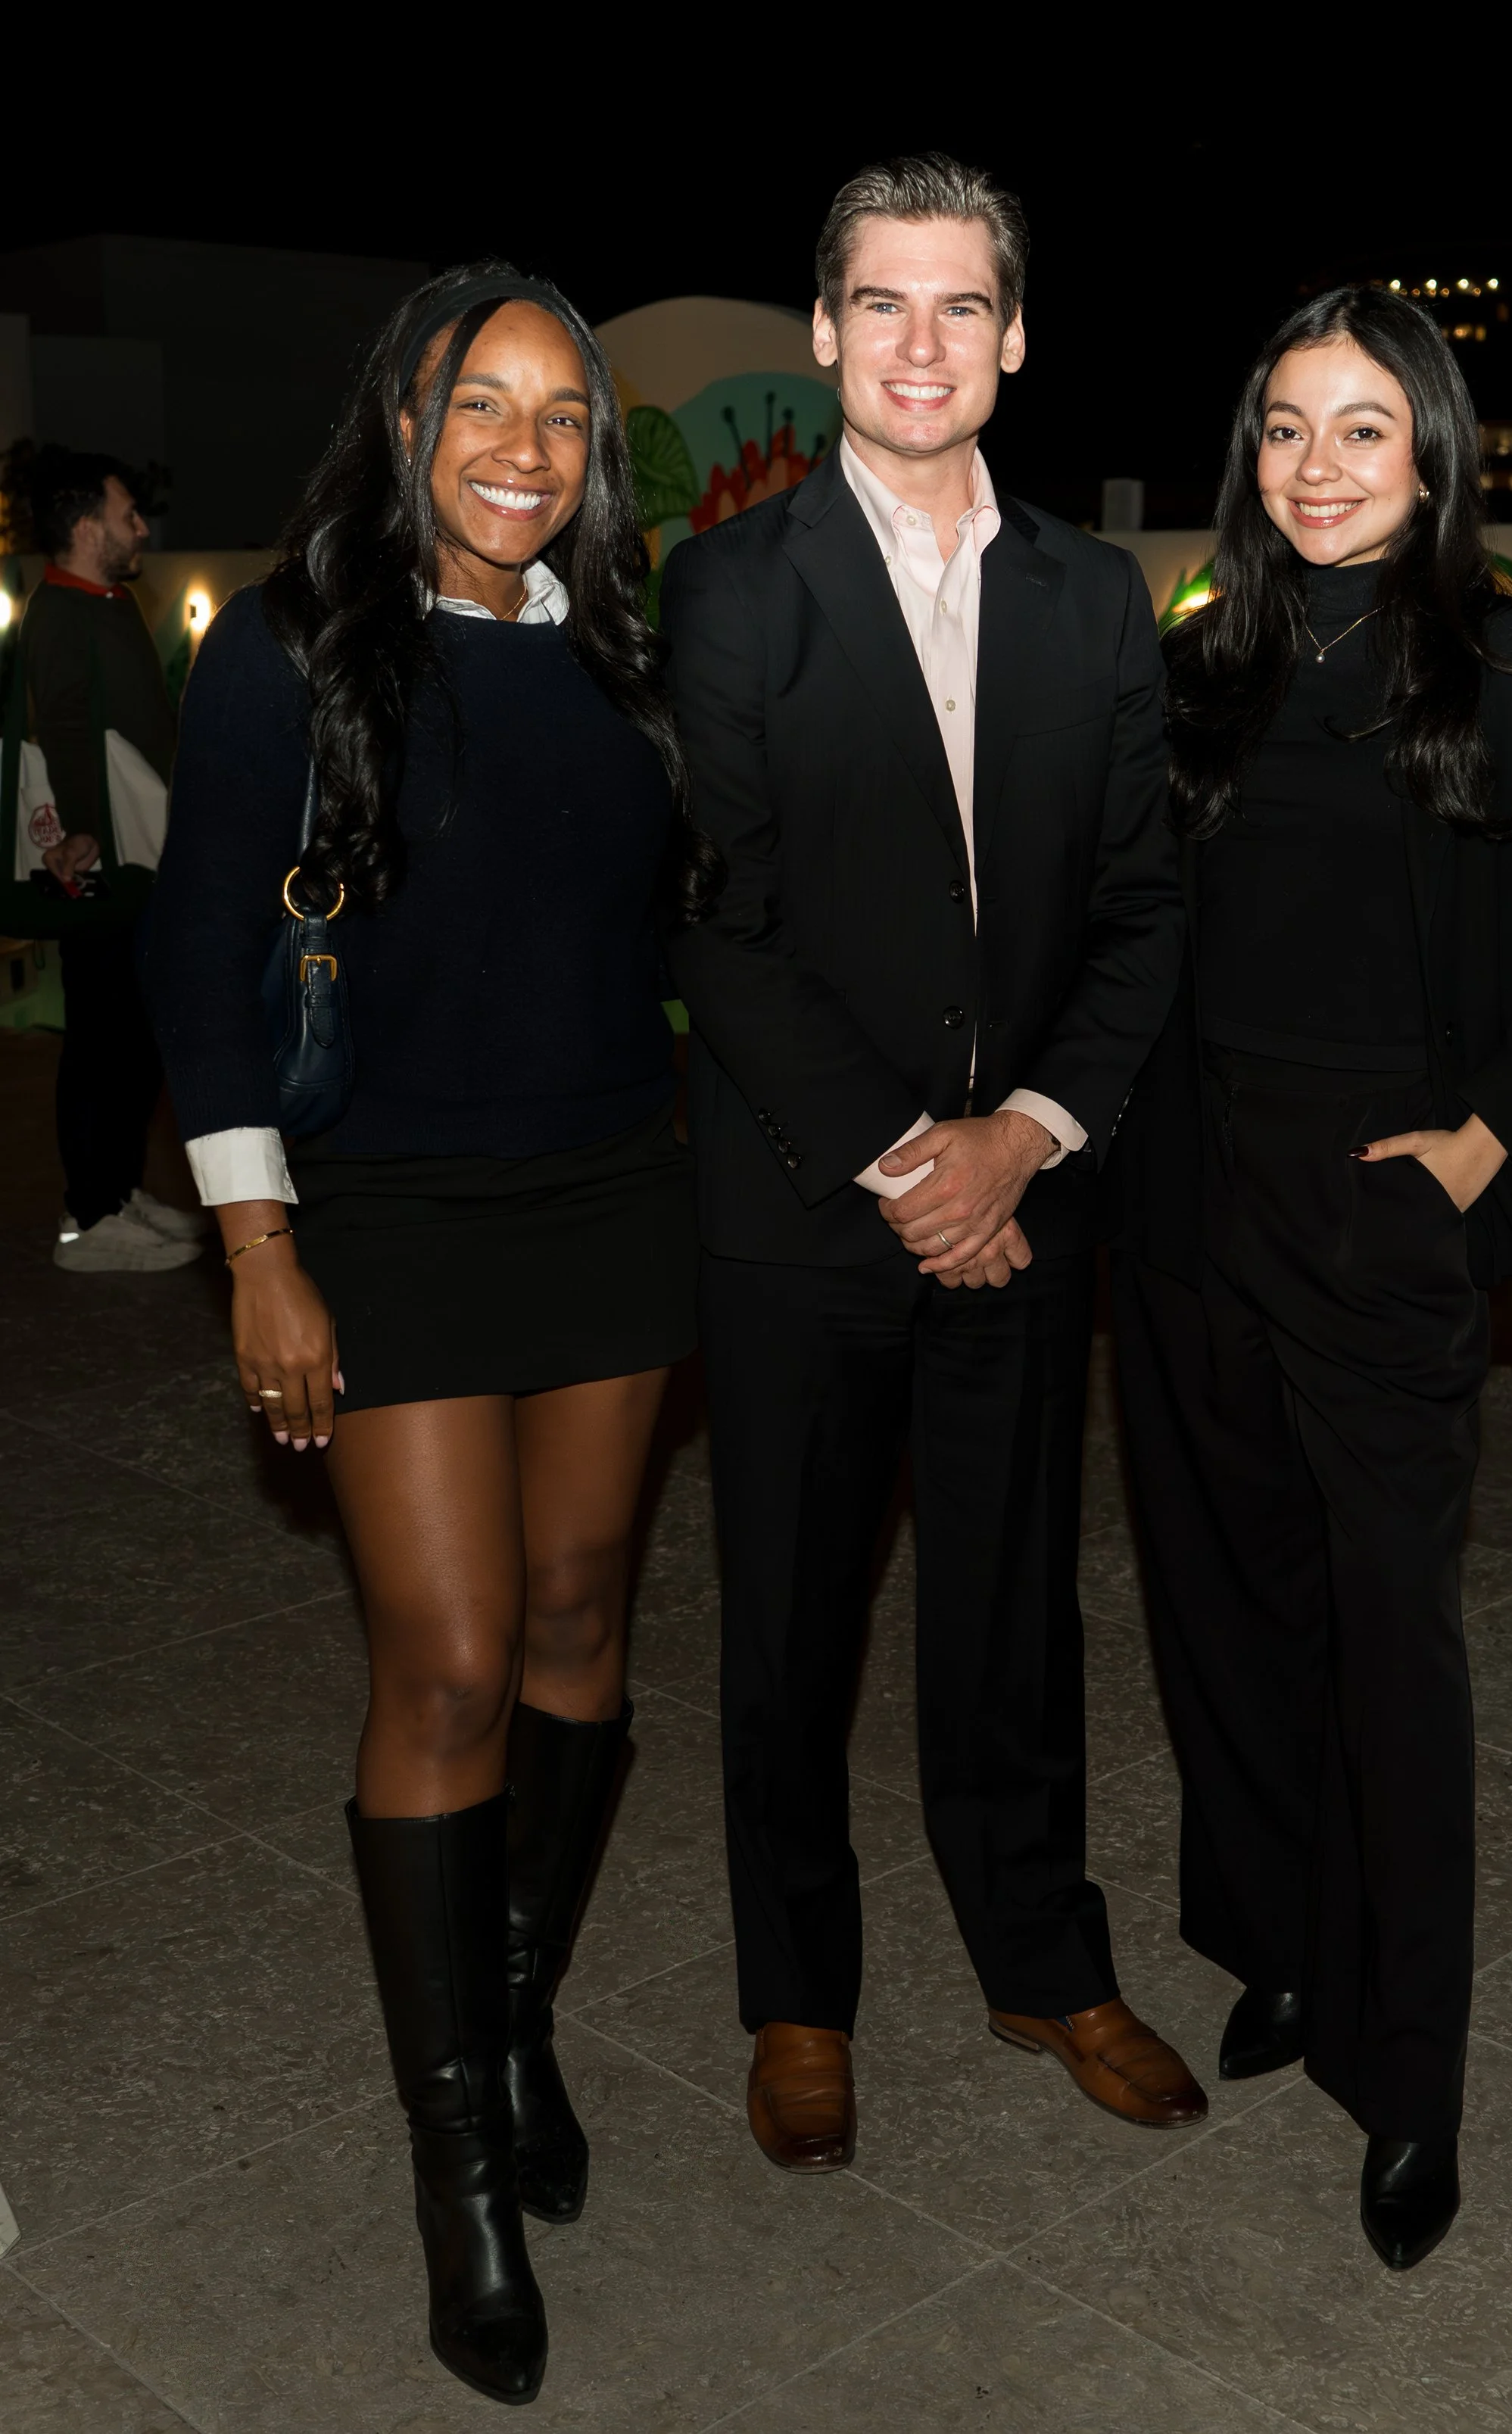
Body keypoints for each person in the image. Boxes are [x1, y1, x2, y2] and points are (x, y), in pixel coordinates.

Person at [143, 264, 715, 2406]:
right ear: (404, 420)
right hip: (381, 1205)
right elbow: (203, 942)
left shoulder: (627, 649)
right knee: (454, 1658)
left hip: (612, 1187)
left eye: (564, 417)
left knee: (580, 1616)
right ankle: (456, 2155)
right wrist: (257, 1242)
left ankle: (516, 2009)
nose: (523, 448)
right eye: (484, 404)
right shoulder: (295, 646)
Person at [662, 154, 1201, 2177]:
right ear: (823, 332)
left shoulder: (1094, 595)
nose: (919, 341)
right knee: (789, 1623)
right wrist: (912, 1161)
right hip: (808, 1202)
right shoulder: (731, 586)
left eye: (959, 303)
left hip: (1026, 1199)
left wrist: (1022, 1137)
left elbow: (1141, 907)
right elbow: (723, 922)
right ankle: (799, 1996)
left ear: (1014, 337)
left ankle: (1042, 1955)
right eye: (880, 301)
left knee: (1011, 1609)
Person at [1112, 286, 1512, 2270]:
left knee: (1387, 1644)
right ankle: (1279, 1944)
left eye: (1355, 428)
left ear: (1431, 449)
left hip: (1382, 1215)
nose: (1313, 466)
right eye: (1281, 428)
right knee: (1223, 1612)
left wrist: (1483, 1145)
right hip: (1187, 1209)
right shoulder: (1199, 664)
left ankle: (1409, 2071)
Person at [19, 449, 201, 1271]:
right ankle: (89, 1219)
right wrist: (82, 833)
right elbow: (60, 730)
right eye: (128, 515)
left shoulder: (109, 602)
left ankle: (118, 1191)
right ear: (88, 528)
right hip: (96, 862)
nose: (141, 529)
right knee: (99, 1040)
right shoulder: (60, 612)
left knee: (131, 1037)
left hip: (138, 857)